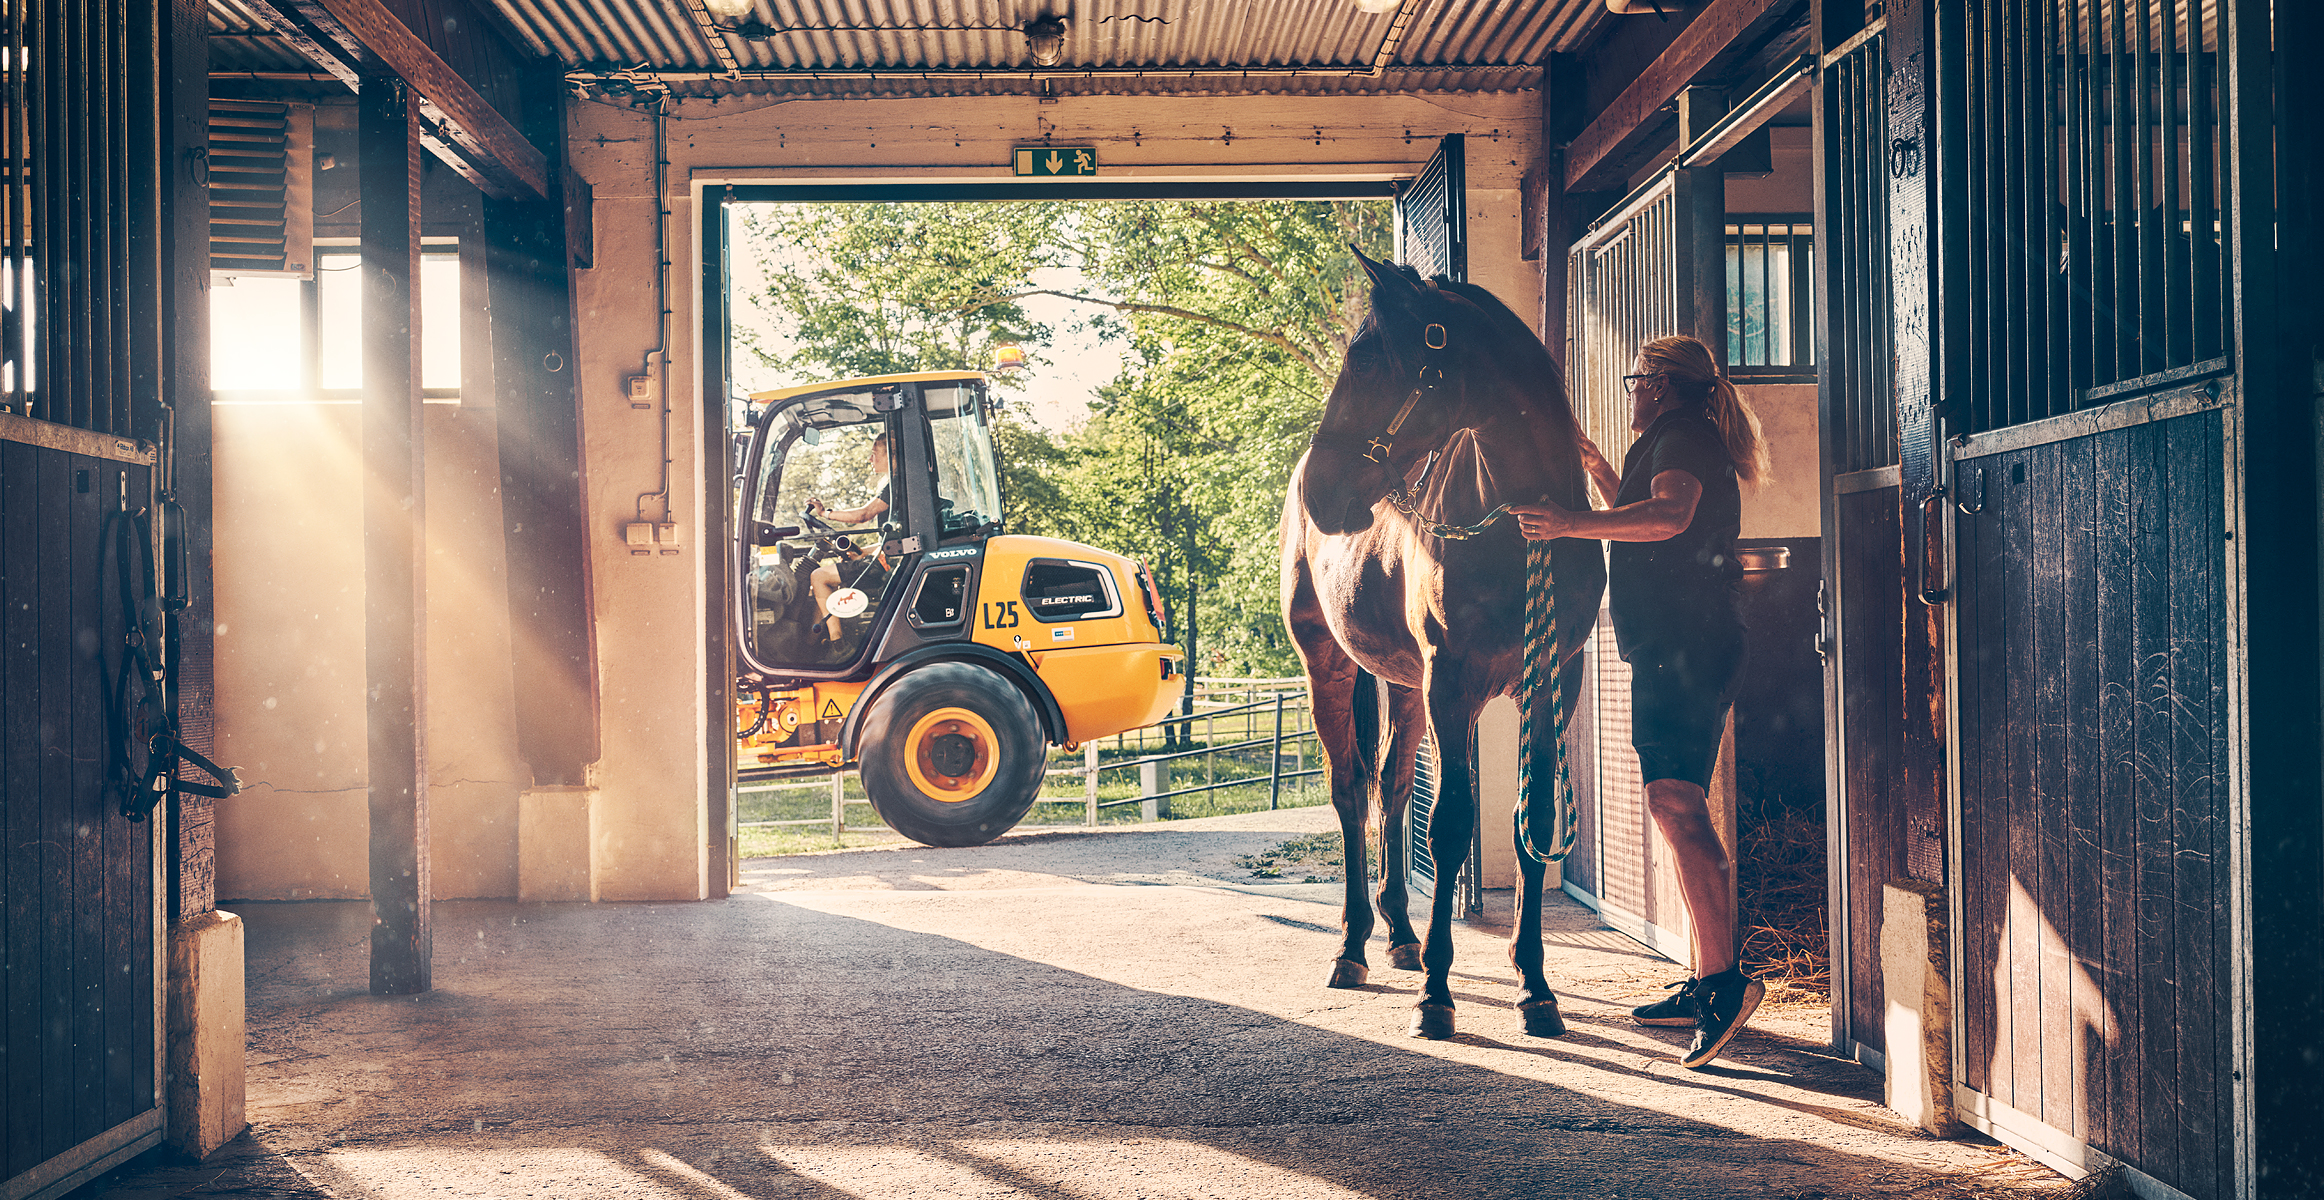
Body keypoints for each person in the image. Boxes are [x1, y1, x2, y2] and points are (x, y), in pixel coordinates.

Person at [1508, 333, 1770, 1070]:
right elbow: (1641, 501)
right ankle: (1706, 975)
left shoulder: (1682, 438)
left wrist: (1569, 524)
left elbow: (1669, 516)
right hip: (1678, 647)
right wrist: (1590, 462)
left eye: (1636, 379)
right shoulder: (1670, 438)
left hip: (1686, 648)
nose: (1631, 390)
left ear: (1659, 383)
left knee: (1676, 805)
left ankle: (1723, 985)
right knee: (1678, 803)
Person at [804, 431, 891, 644]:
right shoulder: (898, 485)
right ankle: (813, 645)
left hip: (888, 566)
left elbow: (863, 515)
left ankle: (837, 642)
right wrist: (863, 552)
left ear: (891, 456)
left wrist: (825, 513)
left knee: (818, 577)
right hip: (888, 559)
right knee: (835, 572)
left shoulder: (895, 487)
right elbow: (892, 540)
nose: (870, 459)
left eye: (874, 453)